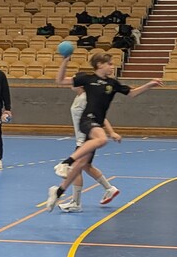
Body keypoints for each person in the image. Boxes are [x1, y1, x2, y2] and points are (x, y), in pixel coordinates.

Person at [43, 52, 161, 212]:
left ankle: (58, 192)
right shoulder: (87, 79)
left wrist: (149, 85)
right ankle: (65, 163)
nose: (112, 66)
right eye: (110, 64)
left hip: (96, 125)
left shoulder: (112, 84)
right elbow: (60, 80)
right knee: (101, 139)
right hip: (87, 121)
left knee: (82, 164)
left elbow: (132, 93)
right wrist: (65, 61)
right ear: (99, 65)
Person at [52, 82, 122, 213]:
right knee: (86, 166)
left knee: (75, 169)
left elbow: (101, 117)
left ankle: (76, 203)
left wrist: (111, 132)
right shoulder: (79, 97)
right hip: (82, 138)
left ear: (81, 85)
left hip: (87, 139)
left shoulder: (85, 98)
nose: (71, 83)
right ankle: (109, 189)